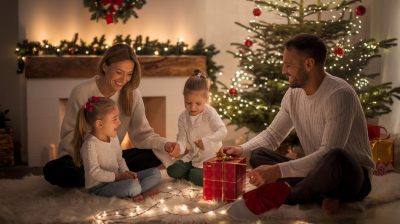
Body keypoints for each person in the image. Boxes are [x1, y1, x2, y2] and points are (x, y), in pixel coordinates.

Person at [222, 34, 374, 219]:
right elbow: (272, 135)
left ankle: (290, 196)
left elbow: (327, 153)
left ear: (308, 64)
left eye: (288, 64)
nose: (283, 70)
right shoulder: (293, 94)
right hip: (316, 171)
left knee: (335, 156)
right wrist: (241, 150)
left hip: (349, 177)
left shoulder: (339, 95)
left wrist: (277, 171)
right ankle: (321, 194)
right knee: (258, 154)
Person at [43, 43, 175, 188]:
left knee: (156, 152)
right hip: (83, 159)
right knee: (52, 169)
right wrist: (90, 155)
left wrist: (165, 145)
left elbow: (143, 134)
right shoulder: (81, 92)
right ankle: (101, 177)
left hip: (113, 159)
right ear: (105, 66)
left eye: (129, 74)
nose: (124, 79)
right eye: (119, 72)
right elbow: (69, 137)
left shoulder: (132, 94)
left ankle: (106, 178)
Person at [73, 96, 160, 200]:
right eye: (115, 119)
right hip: (99, 187)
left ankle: (137, 193)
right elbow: (94, 173)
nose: (119, 122)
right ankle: (140, 194)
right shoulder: (90, 145)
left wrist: (127, 173)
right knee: (133, 186)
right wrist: (119, 177)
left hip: (118, 179)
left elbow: (120, 159)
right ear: (99, 124)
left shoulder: (113, 138)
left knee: (155, 173)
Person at [166, 69, 227, 186]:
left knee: (195, 176)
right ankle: (191, 171)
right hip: (193, 156)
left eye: (198, 103)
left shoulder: (209, 113)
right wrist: (178, 148)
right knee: (172, 170)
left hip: (211, 157)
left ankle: (199, 173)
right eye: (188, 103)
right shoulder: (183, 117)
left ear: (206, 99)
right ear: (184, 98)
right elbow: (182, 139)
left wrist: (206, 141)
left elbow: (222, 131)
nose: (193, 108)